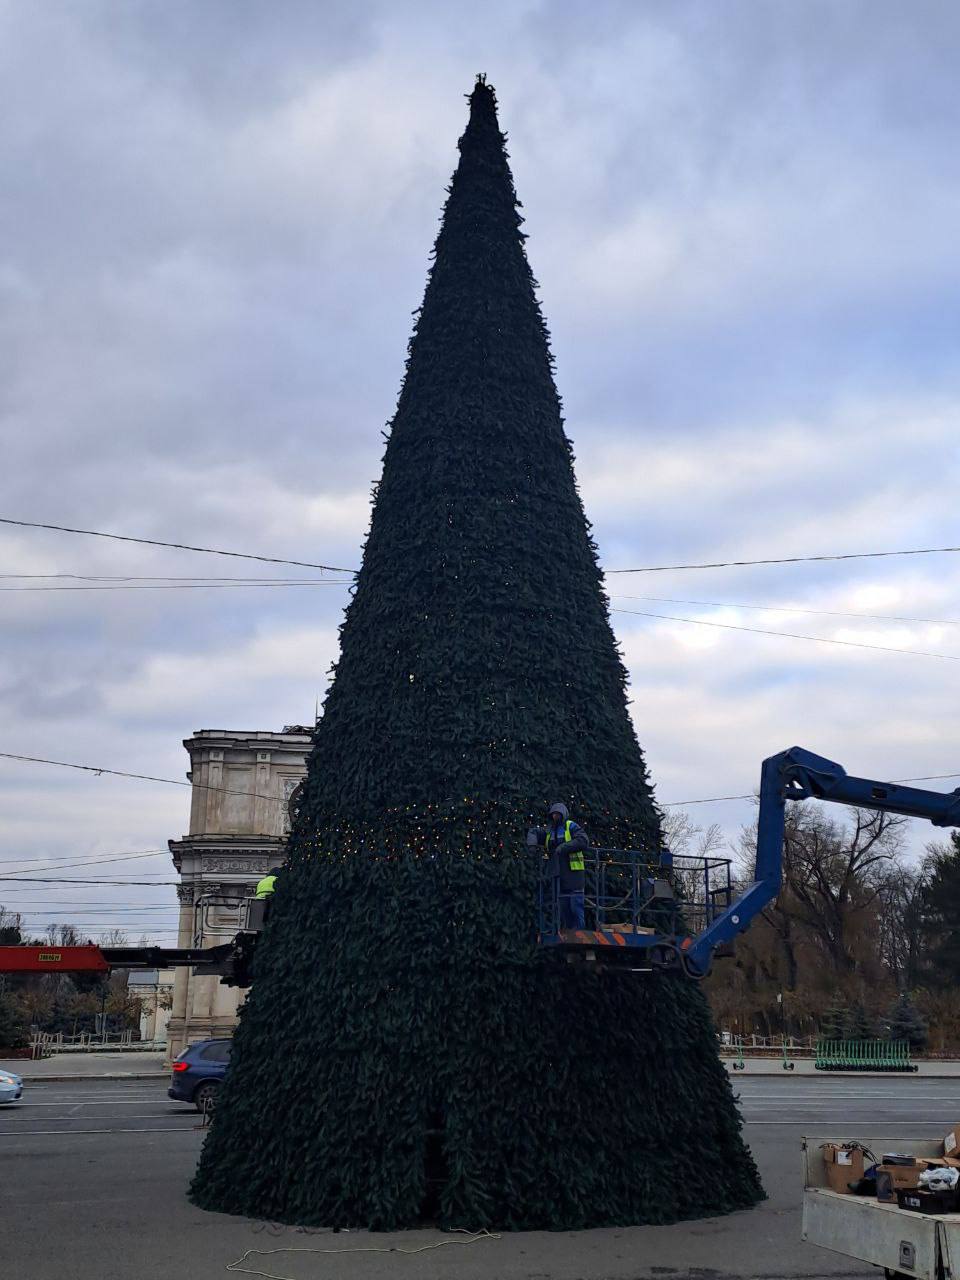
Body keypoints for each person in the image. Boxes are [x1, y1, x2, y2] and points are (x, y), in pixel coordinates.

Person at [528, 803, 591, 929]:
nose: (555, 816)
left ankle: (579, 933)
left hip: (574, 874)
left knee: (575, 906)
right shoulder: (549, 830)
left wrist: (562, 847)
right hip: (558, 874)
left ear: (563, 815)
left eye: (558, 814)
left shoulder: (571, 826)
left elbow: (583, 840)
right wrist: (532, 845)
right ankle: (569, 932)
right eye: (553, 814)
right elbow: (534, 831)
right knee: (564, 907)